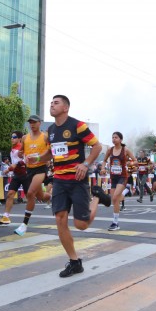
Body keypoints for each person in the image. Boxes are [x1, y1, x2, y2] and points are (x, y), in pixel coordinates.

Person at [36, 94, 108, 278]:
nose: (52, 105)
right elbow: (50, 154)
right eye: (51, 103)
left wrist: (86, 164)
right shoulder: (50, 130)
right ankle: (74, 262)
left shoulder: (78, 125)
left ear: (65, 108)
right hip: (59, 180)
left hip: (77, 179)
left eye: (56, 103)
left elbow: (97, 146)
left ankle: (98, 196)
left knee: (81, 224)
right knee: (60, 219)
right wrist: (36, 159)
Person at [14, 115, 52, 236]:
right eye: (30, 122)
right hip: (29, 169)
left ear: (40, 123)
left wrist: (42, 158)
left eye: (34, 122)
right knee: (40, 196)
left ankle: (24, 224)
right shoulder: (25, 138)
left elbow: (50, 151)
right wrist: (21, 154)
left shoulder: (45, 137)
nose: (32, 124)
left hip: (41, 168)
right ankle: (54, 198)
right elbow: (21, 152)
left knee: (30, 193)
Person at [102, 131, 137, 231]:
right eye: (112, 137)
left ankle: (115, 222)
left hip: (123, 176)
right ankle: (115, 222)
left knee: (116, 196)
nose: (113, 139)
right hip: (113, 176)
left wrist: (130, 164)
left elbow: (135, 161)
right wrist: (103, 168)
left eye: (116, 137)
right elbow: (104, 160)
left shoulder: (125, 150)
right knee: (114, 200)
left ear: (121, 139)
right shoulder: (110, 150)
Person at [0, 132, 29, 226]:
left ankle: (51, 199)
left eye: (14, 137)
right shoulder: (12, 148)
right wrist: (11, 168)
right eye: (11, 137)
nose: (12, 139)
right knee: (10, 194)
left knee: (32, 197)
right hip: (16, 175)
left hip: (25, 175)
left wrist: (10, 168)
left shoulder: (22, 148)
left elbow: (25, 160)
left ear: (19, 139)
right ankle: (6, 217)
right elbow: (15, 162)